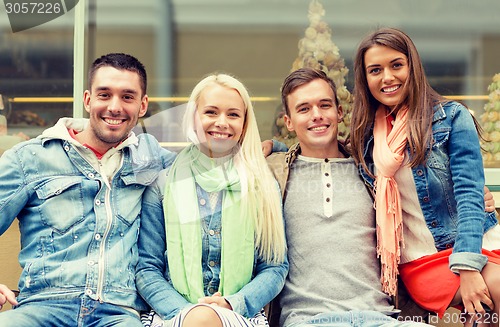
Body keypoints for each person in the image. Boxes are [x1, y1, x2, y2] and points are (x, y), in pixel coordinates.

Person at [0, 53, 176, 327]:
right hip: (42, 309)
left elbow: (215, 167)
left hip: (117, 314)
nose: (115, 107)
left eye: (127, 97)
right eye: (104, 95)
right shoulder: (29, 158)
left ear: (142, 105)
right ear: (87, 99)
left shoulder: (152, 158)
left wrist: (269, 147)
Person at [349, 27, 500, 326]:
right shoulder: (364, 138)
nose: (387, 78)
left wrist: (468, 266)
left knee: (488, 301)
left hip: (474, 242)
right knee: (490, 297)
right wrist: (273, 147)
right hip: (422, 260)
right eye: (375, 70)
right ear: (365, 79)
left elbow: (470, 196)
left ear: (412, 67)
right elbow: (322, 148)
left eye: (396, 65)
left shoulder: (452, 118)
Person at [266, 67, 435, 327]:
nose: (317, 116)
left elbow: (432, 199)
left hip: (382, 318)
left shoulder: (374, 169)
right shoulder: (273, 174)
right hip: (308, 321)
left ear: (339, 112)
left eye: (325, 105)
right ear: (288, 122)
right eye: (303, 109)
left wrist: (484, 205)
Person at [136, 73, 288, 327]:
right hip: (171, 314)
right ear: (193, 118)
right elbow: (147, 268)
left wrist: (232, 304)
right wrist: (191, 313)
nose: (222, 122)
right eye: (211, 112)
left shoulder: (261, 185)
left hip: (242, 314)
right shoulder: (163, 185)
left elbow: (275, 267)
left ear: (245, 123)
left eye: (233, 114)